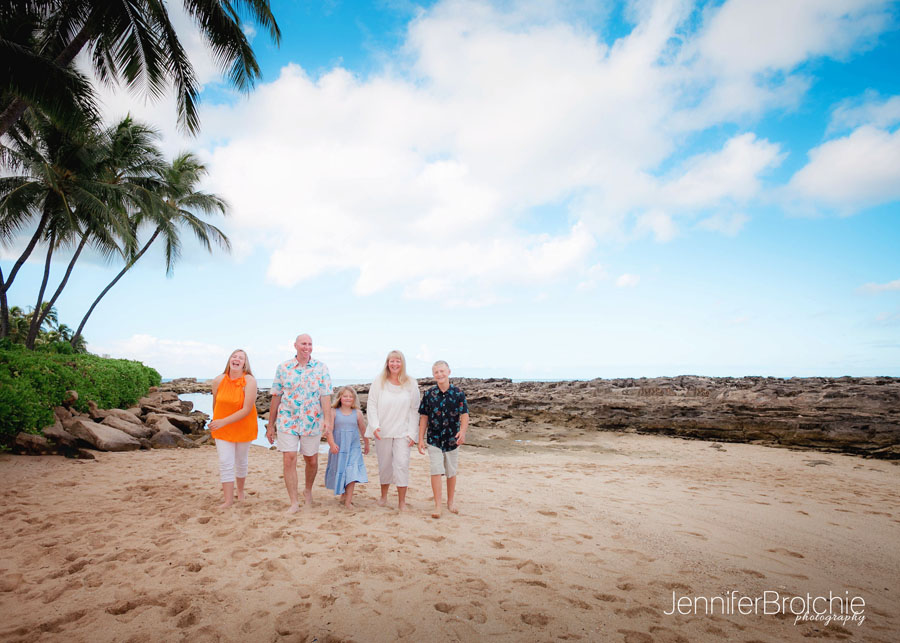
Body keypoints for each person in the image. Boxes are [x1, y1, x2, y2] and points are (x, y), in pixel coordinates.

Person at [265, 334, 333, 514]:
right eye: (303, 343)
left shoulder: (321, 368)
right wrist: (270, 425)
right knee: (289, 458)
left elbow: (325, 395)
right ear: (295, 345)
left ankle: (308, 490)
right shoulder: (283, 368)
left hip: (312, 421)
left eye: (310, 344)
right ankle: (294, 501)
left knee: (311, 459)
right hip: (288, 420)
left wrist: (327, 420)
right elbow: (276, 396)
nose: (307, 347)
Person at [365, 350, 420, 511]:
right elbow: (371, 404)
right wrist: (374, 425)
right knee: (385, 465)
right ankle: (383, 497)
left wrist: (413, 433)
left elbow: (415, 409)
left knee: (402, 464)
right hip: (382, 431)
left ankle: (402, 501)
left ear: (402, 363)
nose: (395, 364)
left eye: (398, 361)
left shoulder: (411, 383)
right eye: (392, 361)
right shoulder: (379, 381)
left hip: (403, 432)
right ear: (387, 363)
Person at [417, 360, 469, 519]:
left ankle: (450, 502)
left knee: (451, 472)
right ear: (433, 375)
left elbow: (464, 414)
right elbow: (424, 417)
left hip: (453, 439)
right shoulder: (429, 394)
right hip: (434, 439)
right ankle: (438, 505)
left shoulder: (458, 393)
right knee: (436, 470)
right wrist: (420, 439)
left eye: (442, 371)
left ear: (448, 372)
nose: (439, 374)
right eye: (436, 372)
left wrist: (462, 432)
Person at [208, 349, 258, 509]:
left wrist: (223, 422)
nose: (237, 359)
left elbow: (246, 409)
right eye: (234, 356)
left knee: (241, 460)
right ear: (230, 360)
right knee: (225, 462)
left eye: (241, 358)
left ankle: (241, 491)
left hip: (244, 426)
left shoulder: (249, 381)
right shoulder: (218, 380)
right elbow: (216, 404)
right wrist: (216, 421)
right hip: (222, 428)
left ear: (244, 363)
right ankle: (228, 500)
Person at [324, 386, 370, 508]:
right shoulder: (334, 412)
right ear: (340, 397)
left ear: (354, 398)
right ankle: (343, 495)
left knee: (351, 473)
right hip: (338, 447)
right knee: (342, 470)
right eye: (345, 396)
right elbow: (329, 430)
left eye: (350, 396)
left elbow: (363, 429)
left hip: (353, 448)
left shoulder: (357, 413)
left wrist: (366, 443)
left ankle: (348, 502)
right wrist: (332, 444)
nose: (348, 398)